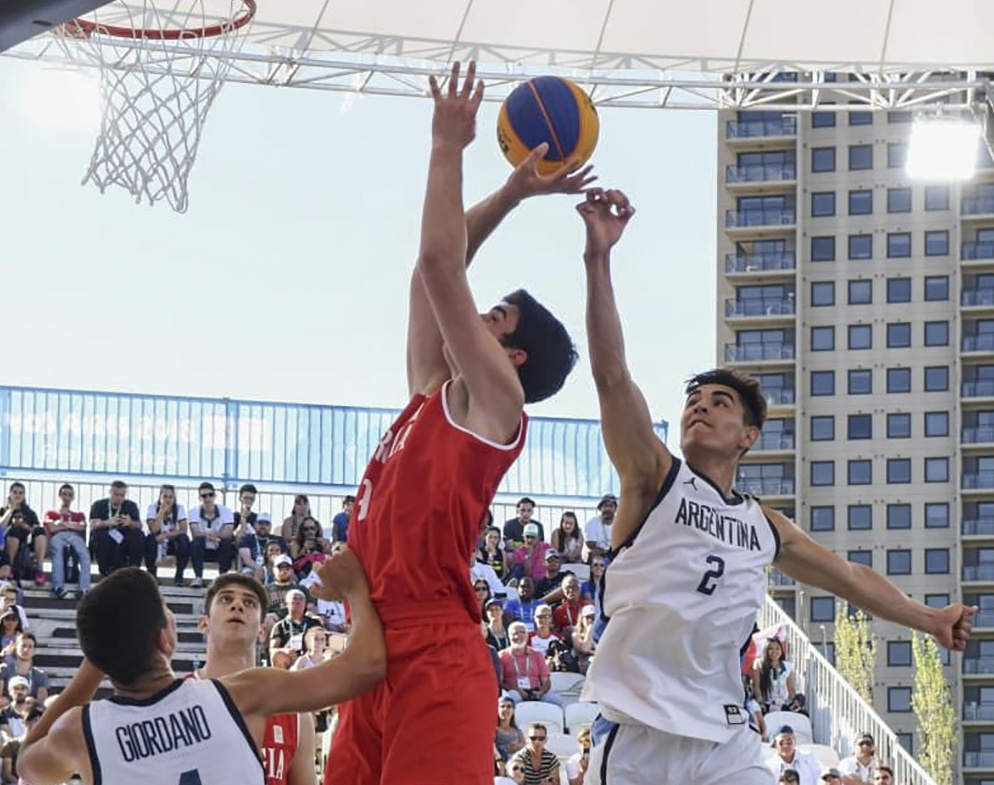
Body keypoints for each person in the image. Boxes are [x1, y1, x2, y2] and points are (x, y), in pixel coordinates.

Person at [576, 185, 977, 785]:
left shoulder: (763, 526)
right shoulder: (653, 477)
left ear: (749, 436)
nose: (699, 409)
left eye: (718, 402)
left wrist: (928, 618)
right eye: (692, 401)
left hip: (725, 740)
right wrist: (598, 259)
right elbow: (611, 376)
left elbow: (850, 578)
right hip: (639, 737)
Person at [327, 60, 583, 785]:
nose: (476, 309)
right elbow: (427, 276)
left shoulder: (493, 402)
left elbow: (441, 263)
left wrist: (449, 145)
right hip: (374, 650)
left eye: (494, 312)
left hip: (437, 653)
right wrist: (510, 192)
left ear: (514, 353)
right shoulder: (431, 394)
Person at [16, 553, 385, 785]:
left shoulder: (79, 730)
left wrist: (95, 663)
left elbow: (25, 764)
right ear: (165, 641)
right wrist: (354, 587)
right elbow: (366, 665)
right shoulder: (241, 694)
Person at [193, 572, 316, 785]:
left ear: (262, 632)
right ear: (204, 624)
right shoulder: (174, 698)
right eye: (226, 599)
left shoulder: (296, 715)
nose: (237, 605)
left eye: (249, 602)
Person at [42, 483, 91, 600]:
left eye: (69, 495)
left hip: (74, 536)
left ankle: (84, 588)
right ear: (59, 496)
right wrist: (71, 525)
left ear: (73, 498)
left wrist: (61, 523)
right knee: (57, 553)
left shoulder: (79, 514)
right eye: (64, 494)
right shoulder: (51, 513)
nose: (66, 497)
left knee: (84, 555)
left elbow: (83, 527)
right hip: (58, 537)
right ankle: (58, 586)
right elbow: (51, 527)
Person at [88, 480, 143, 577]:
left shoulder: (131, 506)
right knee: (100, 537)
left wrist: (130, 523)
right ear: (110, 493)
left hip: (123, 536)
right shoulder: (99, 505)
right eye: (116, 495)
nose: (119, 498)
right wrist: (107, 522)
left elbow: (139, 525)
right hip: (104, 535)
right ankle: (106, 572)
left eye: (122, 495)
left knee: (138, 536)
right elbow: (92, 525)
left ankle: (134, 571)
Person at [144, 484, 191, 587]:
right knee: (150, 539)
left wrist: (166, 535)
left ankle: (179, 576)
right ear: (160, 497)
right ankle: (152, 575)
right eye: (165, 496)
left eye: (170, 497)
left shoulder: (179, 508)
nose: (168, 500)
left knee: (184, 540)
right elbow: (154, 529)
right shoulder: (152, 508)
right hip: (157, 541)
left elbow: (183, 530)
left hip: (171, 541)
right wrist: (161, 512)